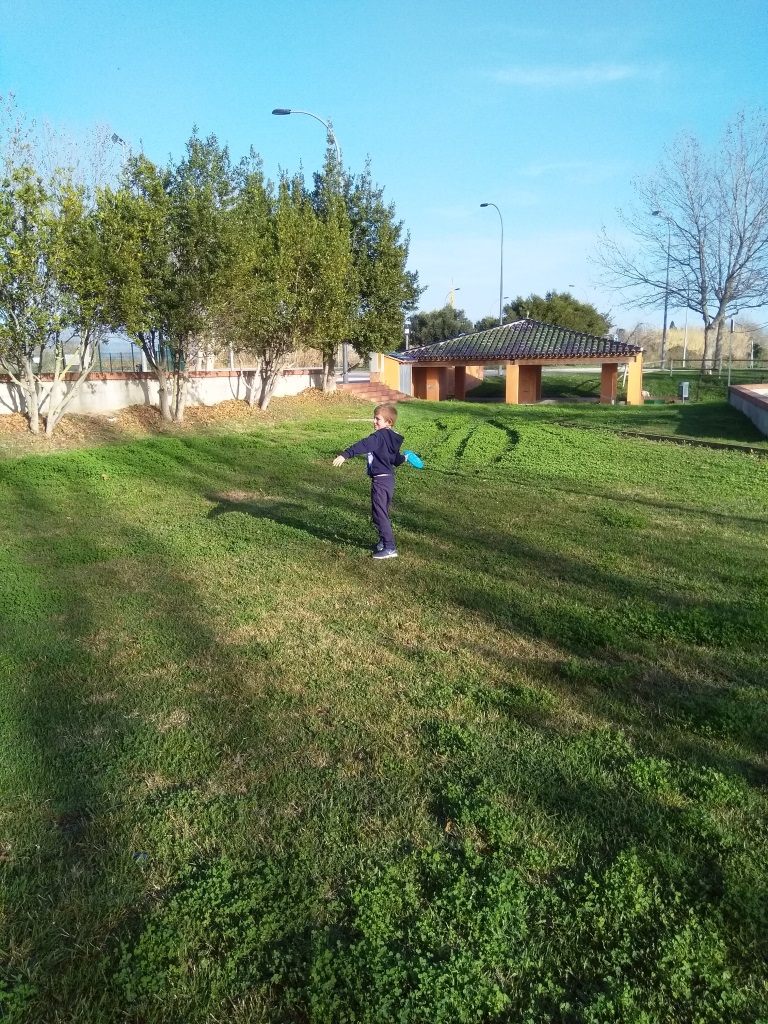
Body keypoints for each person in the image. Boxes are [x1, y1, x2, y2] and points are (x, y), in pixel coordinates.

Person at [332, 403, 408, 559]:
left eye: (378, 419)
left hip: (380, 481)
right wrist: (405, 458)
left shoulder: (378, 437)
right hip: (388, 480)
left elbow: (363, 445)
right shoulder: (391, 438)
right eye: (374, 418)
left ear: (389, 422)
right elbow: (395, 460)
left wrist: (345, 455)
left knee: (380, 514)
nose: (374, 421)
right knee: (379, 512)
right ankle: (383, 541)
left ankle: (390, 548)